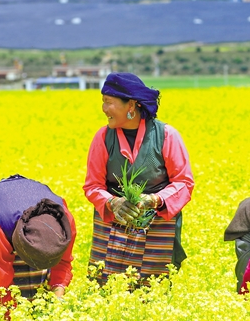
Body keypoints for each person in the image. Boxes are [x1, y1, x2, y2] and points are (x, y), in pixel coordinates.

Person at [83, 72, 194, 284]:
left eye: (109, 102)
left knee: (153, 289)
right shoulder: (103, 137)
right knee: (108, 290)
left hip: (157, 227)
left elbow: (184, 183)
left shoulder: (166, 135)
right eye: (103, 102)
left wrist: (153, 200)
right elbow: (93, 185)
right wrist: (114, 202)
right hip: (112, 226)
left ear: (131, 106)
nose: (104, 109)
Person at [0, 174, 76, 300]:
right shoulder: (1, 222)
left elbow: (64, 262)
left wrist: (57, 296)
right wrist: (7, 313)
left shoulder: (64, 223)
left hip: (22, 203)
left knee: (36, 283)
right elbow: (0, 271)